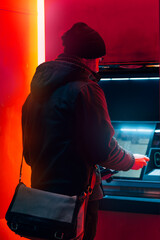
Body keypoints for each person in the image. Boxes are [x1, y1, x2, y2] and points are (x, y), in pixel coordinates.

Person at [22, 22, 149, 240]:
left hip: (41, 197)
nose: (99, 68)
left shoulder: (35, 93)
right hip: (76, 199)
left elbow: (31, 155)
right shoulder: (87, 89)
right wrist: (130, 161)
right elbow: (104, 150)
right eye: (99, 60)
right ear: (89, 58)